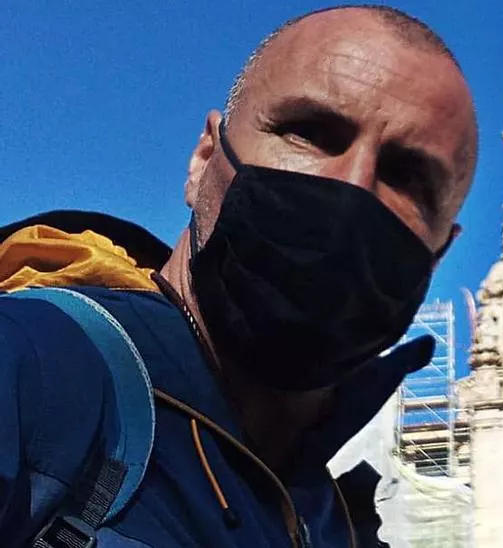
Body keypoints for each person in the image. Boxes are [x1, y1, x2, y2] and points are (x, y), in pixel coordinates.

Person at [0, 5, 477, 547]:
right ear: (205, 158)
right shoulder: (31, 368)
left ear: (439, 253)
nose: (352, 185)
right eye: (309, 133)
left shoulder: (335, 523)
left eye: (407, 175)